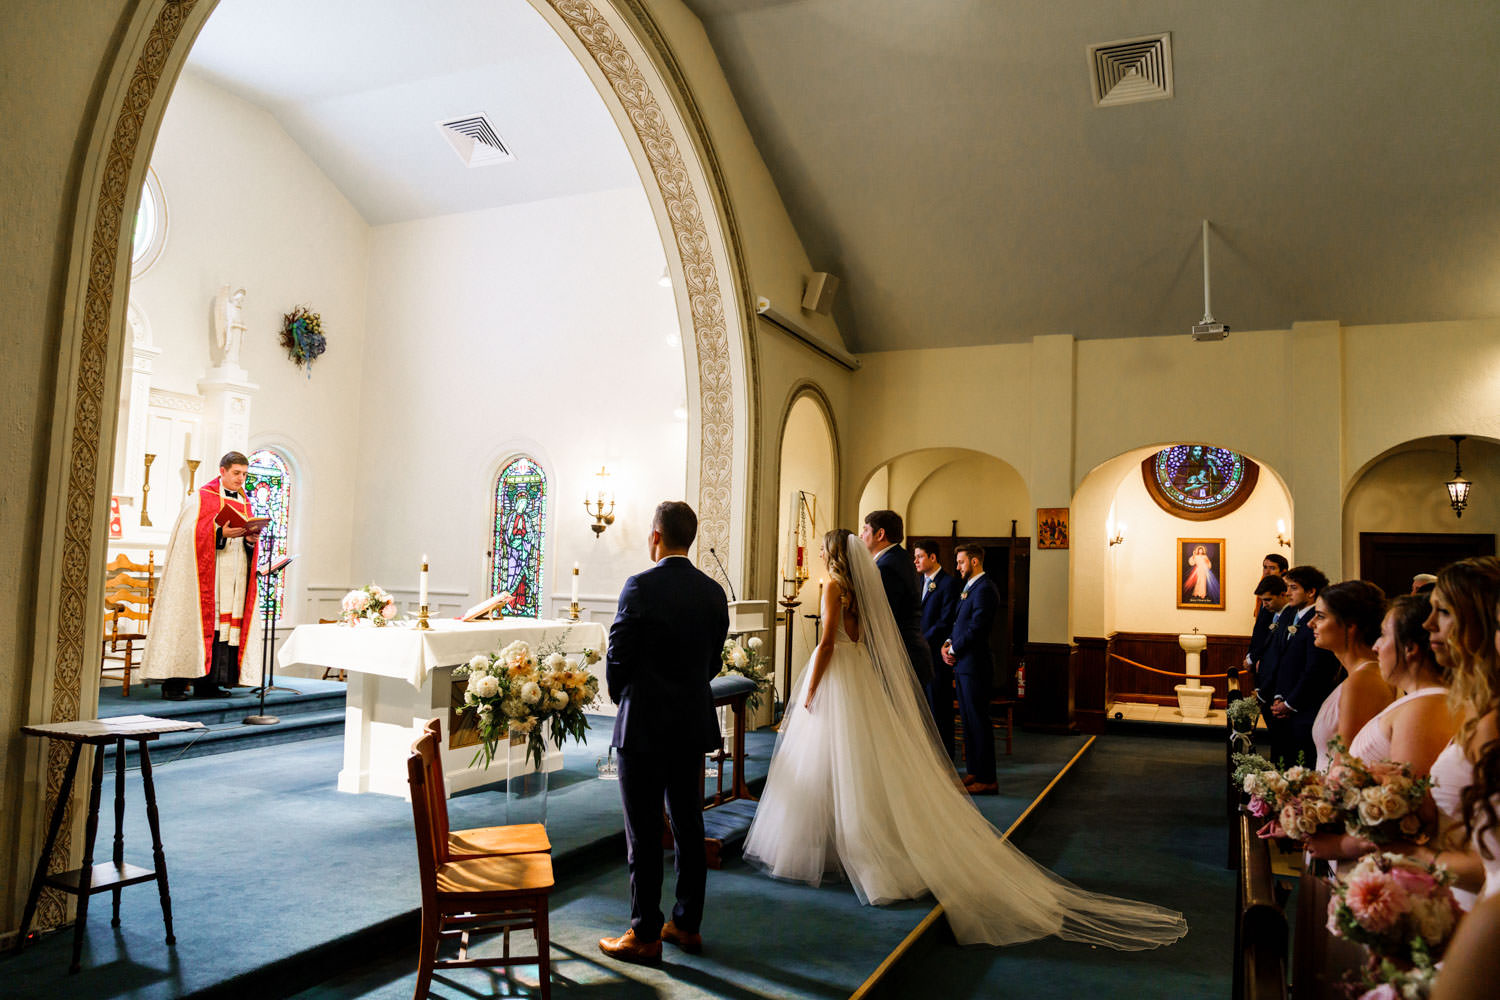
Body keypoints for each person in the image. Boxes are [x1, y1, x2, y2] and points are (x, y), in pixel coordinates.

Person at [742, 529, 1187, 949]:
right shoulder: (860, 588)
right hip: (859, 682)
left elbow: (826, 644)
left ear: (834, 553)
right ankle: (854, 846)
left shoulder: (835, 587)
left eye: (822, 548)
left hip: (839, 678)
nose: (819, 554)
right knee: (859, 764)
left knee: (833, 761)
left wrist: (811, 688)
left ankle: (840, 852)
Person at [598, 501, 729, 964]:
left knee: (644, 830)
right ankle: (687, 925)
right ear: (688, 538)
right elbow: (713, 661)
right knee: (689, 826)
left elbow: (618, 654)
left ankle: (645, 933)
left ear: (656, 536)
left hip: (644, 727)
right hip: (691, 723)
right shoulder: (713, 592)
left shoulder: (640, 586)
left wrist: (624, 696)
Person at [141, 451, 263, 699]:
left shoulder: (246, 502)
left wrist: (250, 540)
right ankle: (173, 685)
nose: (241, 479)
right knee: (190, 626)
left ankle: (209, 684)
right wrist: (220, 535)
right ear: (222, 471)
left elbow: (247, 542)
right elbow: (187, 535)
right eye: (237, 473)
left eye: (245, 474)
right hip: (203, 579)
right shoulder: (200, 498)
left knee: (223, 631)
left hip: (234, 578)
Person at [1259, 565, 1341, 766]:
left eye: (1293, 587)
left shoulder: (1316, 620)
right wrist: (1278, 695)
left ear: (1311, 592)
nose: (1287, 593)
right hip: (1283, 699)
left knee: (1300, 762)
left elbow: (1314, 669)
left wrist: (1290, 703)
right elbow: (1280, 658)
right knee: (1282, 760)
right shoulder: (1289, 614)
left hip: (1304, 707)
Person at [1307, 581, 1394, 770]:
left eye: (1320, 616)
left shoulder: (1363, 681)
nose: (1310, 623)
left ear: (1350, 625)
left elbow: (1347, 763)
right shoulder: (1361, 675)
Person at [942, 543, 1002, 793]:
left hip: (975, 664)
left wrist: (954, 650)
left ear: (975, 561)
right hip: (965, 663)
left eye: (961, 562)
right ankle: (975, 772)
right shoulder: (971, 587)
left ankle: (987, 779)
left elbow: (977, 627)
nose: (957, 567)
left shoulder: (985, 588)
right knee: (967, 721)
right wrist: (948, 642)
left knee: (979, 722)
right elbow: (959, 622)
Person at [858, 510, 933, 684]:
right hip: (910, 652)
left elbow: (883, 615)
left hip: (902, 656)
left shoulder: (887, 566)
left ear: (880, 534)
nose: (862, 535)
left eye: (866, 530)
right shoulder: (898, 558)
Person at [914, 541, 961, 759]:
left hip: (935, 655)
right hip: (918, 656)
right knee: (920, 707)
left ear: (933, 558)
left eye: (920, 556)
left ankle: (945, 758)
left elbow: (945, 621)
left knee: (939, 707)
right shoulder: (917, 582)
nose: (916, 561)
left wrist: (921, 639)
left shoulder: (948, 583)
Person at [1238, 574, 1289, 697]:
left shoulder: (1289, 616)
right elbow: (1259, 636)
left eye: (1268, 600)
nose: (1264, 605)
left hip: (1278, 684)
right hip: (1265, 678)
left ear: (1282, 595)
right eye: (1262, 600)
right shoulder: (1274, 614)